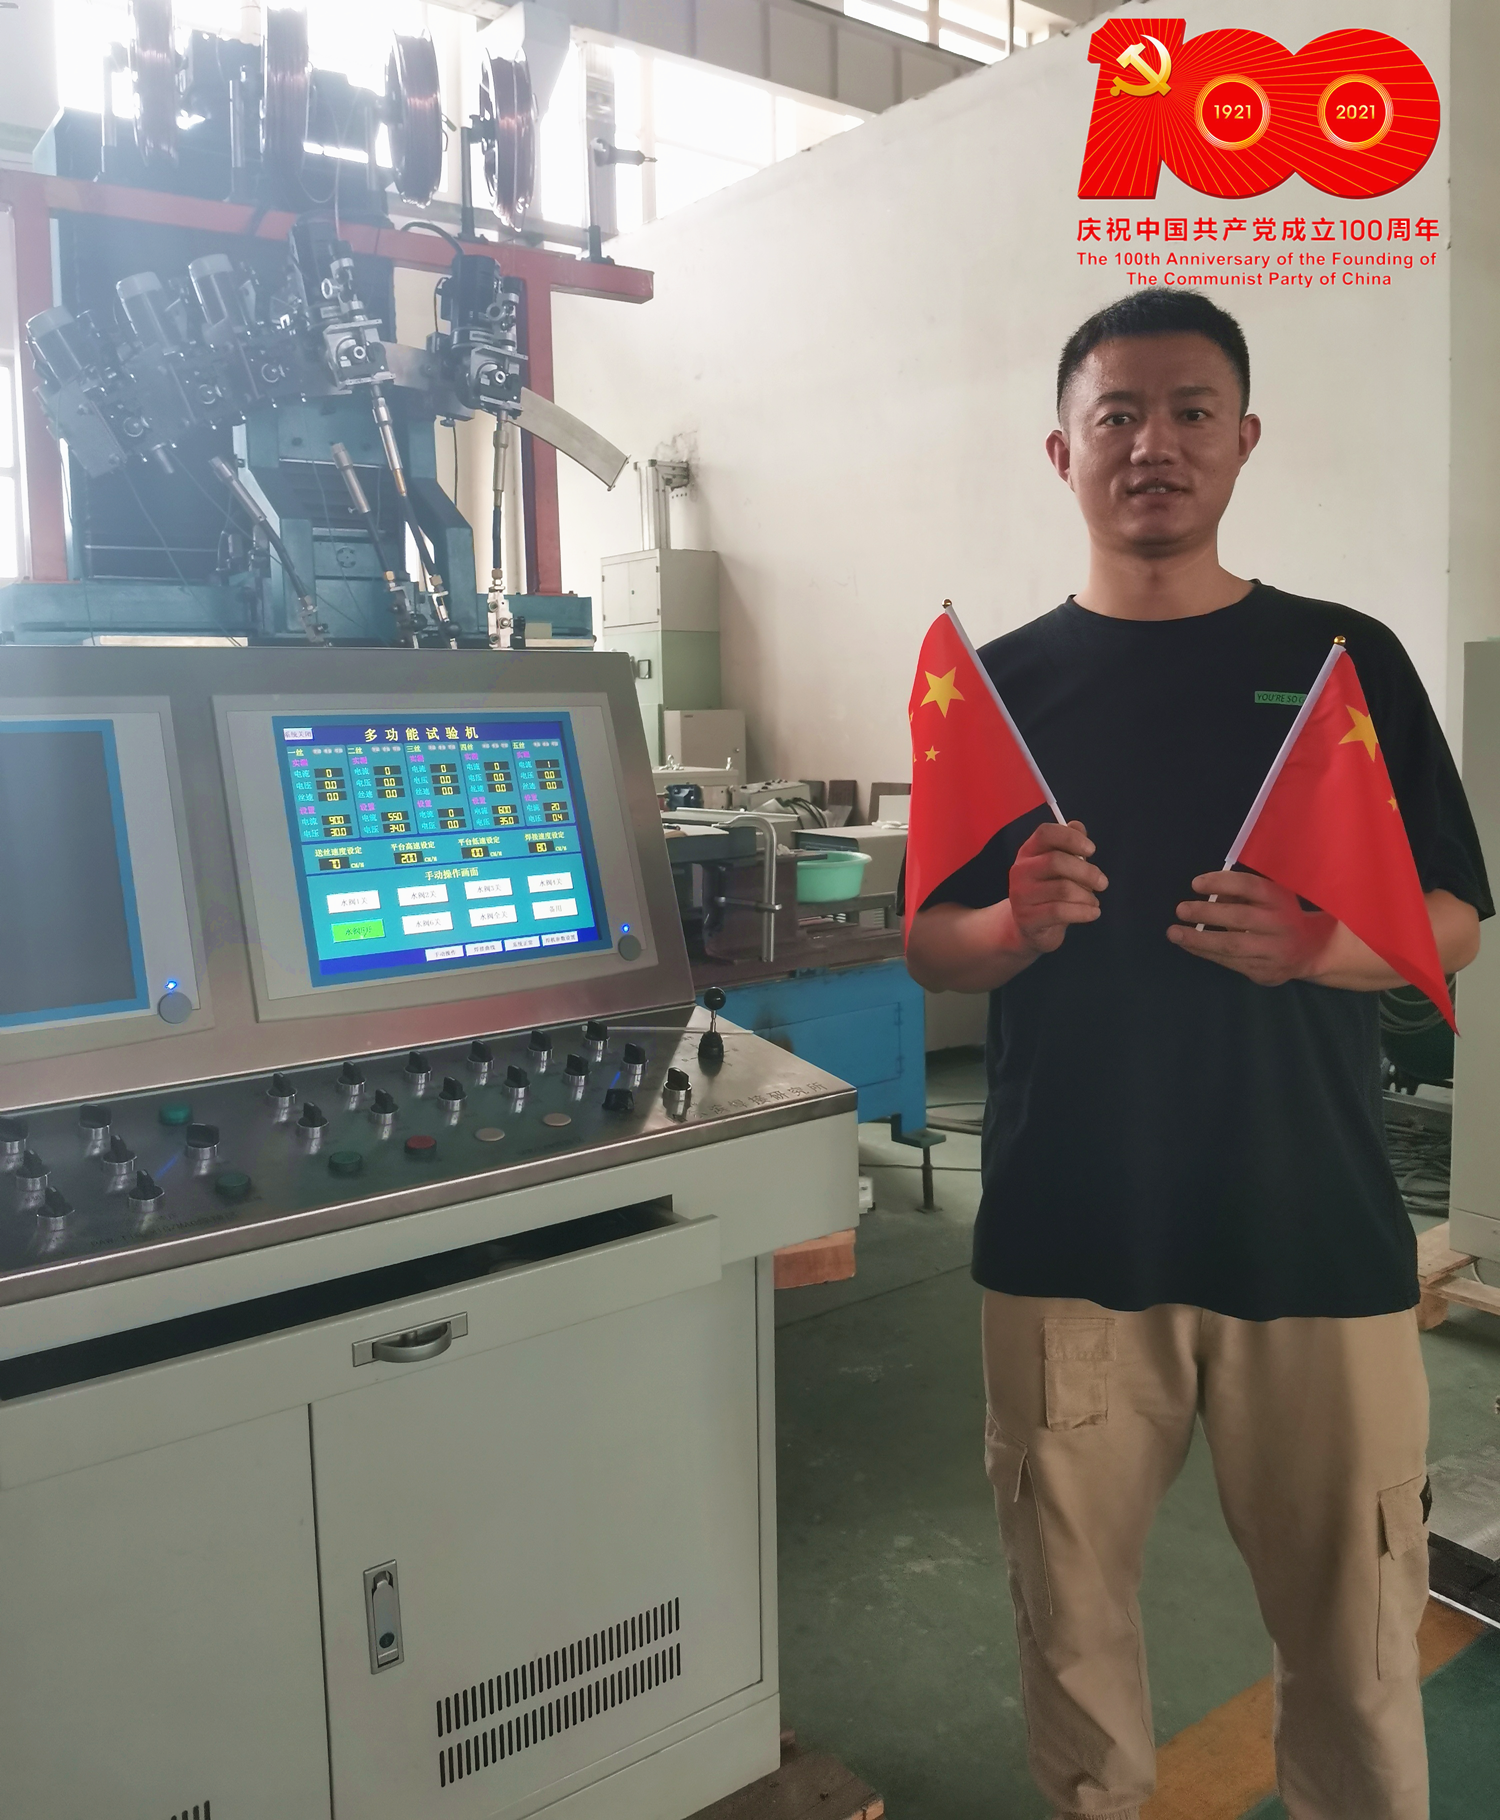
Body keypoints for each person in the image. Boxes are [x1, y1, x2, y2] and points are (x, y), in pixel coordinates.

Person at [903, 289, 1491, 1820]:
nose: (1152, 444)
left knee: (1356, 1640)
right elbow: (931, 942)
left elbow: (1454, 918)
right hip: (1069, 1236)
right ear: (1063, 451)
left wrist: (1315, 947)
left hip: (1312, 1230)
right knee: (1072, 1629)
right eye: (1117, 415)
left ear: (1243, 440)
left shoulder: (1342, 664)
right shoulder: (1000, 690)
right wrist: (1009, 927)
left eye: (1188, 413)